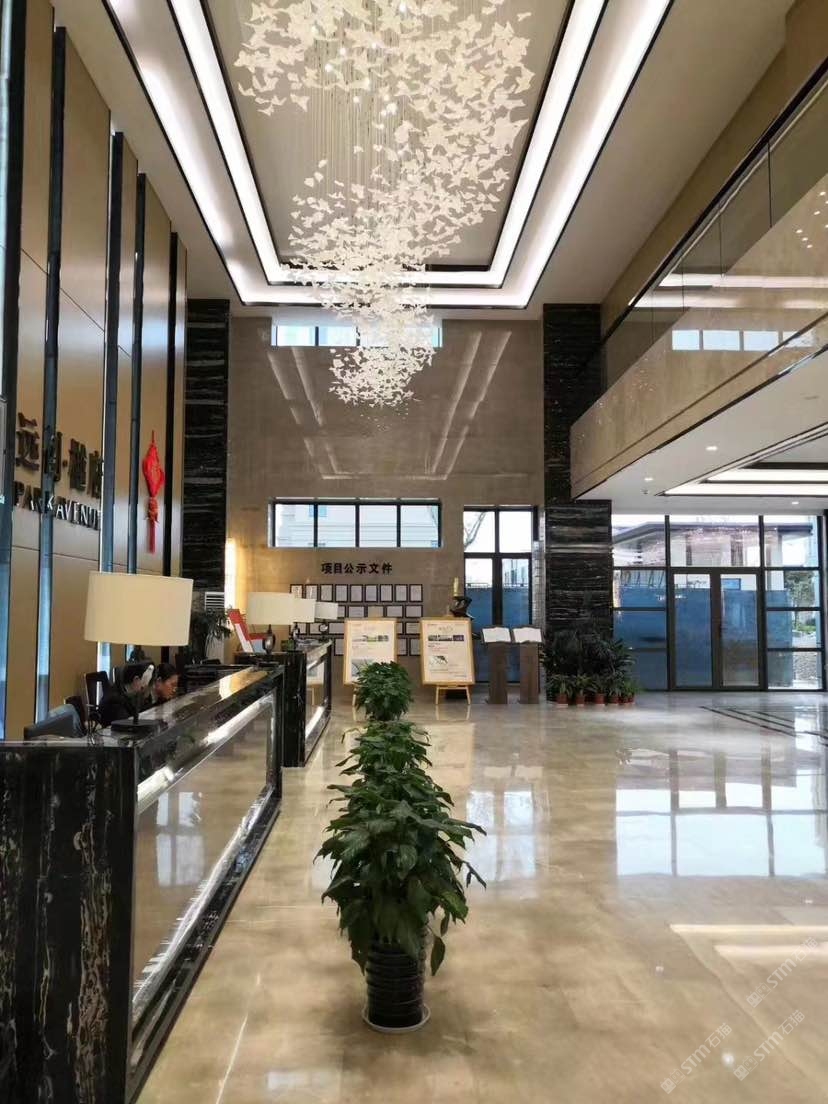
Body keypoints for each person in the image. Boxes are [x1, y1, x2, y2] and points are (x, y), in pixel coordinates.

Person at [98, 662, 153, 727]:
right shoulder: (115, 702)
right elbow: (126, 725)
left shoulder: (127, 692)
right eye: (147, 683)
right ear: (136, 679)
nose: (146, 687)